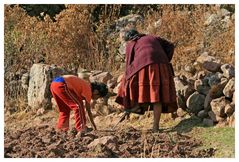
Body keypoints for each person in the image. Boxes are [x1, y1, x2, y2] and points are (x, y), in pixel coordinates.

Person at [115, 29, 178, 132]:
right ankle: (155, 127)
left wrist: (125, 84)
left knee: (133, 86)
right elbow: (170, 45)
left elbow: (128, 65)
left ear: (128, 39)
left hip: (145, 66)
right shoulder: (153, 37)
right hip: (163, 66)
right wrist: (165, 58)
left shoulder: (132, 43)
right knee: (158, 97)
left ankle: (134, 107)